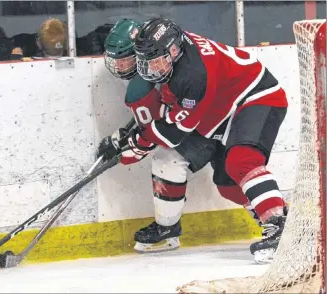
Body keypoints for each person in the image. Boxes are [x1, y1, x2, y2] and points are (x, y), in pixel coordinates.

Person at [116, 17, 288, 264]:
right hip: (225, 109)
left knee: (242, 161)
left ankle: (277, 225)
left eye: (155, 61)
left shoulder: (193, 74)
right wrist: (142, 136)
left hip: (257, 96)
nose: (151, 68)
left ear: (174, 51)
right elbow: (172, 115)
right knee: (228, 186)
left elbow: (176, 132)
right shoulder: (173, 52)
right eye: (147, 61)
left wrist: (140, 142)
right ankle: (282, 216)